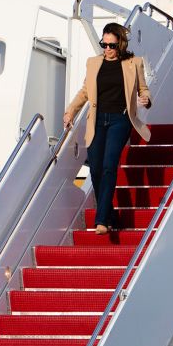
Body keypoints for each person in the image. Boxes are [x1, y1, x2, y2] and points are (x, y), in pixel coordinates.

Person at [62, 23, 152, 235]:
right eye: (104, 44)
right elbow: (85, 91)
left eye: (111, 45)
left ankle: (101, 220)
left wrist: (146, 99)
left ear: (120, 44)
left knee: (109, 165)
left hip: (120, 120)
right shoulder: (93, 63)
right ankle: (111, 216)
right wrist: (70, 112)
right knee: (95, 168)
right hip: (97, 120)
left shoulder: (133, 63)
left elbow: (143, 89)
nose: (107, 48)